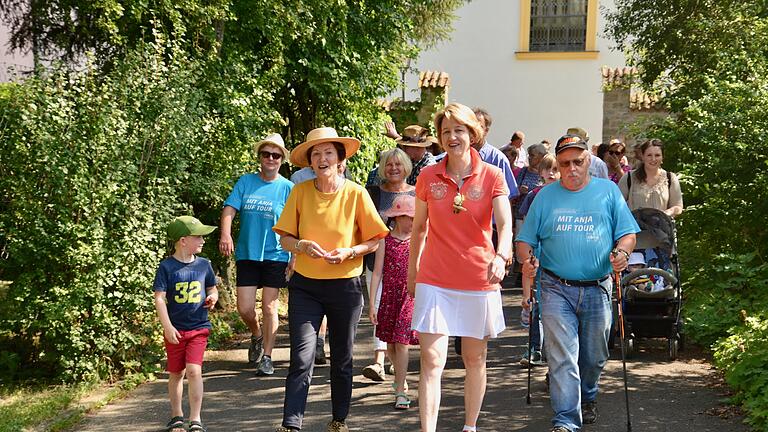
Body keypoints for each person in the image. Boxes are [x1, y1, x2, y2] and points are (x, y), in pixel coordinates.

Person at [516, 134, 639, 432]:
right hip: (556, 287)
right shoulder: (544, 196)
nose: (572, 168)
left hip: (597, 287)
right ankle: (566, 420)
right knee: (563, 356)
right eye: (565, 163)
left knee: (595, 355)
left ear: (588, 162)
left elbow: (627, 233)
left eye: (578, 162)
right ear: (557, 165)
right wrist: (527, 259)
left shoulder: (608, 191)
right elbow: (524, 241)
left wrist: (622, 253)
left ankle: (589, 395)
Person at [273, 127, 389, 432]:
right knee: (301, 357)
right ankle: (290, 423)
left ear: (340, 159)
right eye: (315, 153)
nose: (322, 158)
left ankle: (339, 420)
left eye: (328, 153)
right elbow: (285, 238)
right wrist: (300, 245)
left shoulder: (356, 193)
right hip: (305, 286)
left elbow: (375, 240)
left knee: (342, 357)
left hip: (345, 288)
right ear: (310, 162)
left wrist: (351, 251)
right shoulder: (299, 192)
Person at [408, 103, 512, 432]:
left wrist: (501, 255)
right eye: (446, 131)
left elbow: (505, 225)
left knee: (474, 358)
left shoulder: (492, 175)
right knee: (431, 359)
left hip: (477, 278)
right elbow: (419, 229)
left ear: (472, 133)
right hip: (435, 278)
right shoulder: (427, 175)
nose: (452, 137)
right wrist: (413, 272)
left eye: (459, 130)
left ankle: (470, 426)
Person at [219, 133, 293, 376]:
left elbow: (297, 223)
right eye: (266, 154)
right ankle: (257, 335)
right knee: (245, 308)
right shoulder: (246, 182)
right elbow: (229, 209)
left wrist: (294, 255)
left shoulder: (288, 188)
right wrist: (226, 235)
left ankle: (268, 357)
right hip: (248, 252)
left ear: (282, 159)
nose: (270, 158)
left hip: (276, 253)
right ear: (259, 157)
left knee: (270, 307)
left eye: (276, 155)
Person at [153, 216, 219, 432]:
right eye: (198, 236)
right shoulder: (167, 267)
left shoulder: (204, 265)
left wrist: (213, 297)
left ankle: (196, 419)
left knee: (193, 371)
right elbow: (160, 298)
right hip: (175, 331)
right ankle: (176, 416)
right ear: (183, 240)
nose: (202, 240)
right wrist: (167, 327)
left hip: (199, 327)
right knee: (176, 373)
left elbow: (211, 288)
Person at [362, 147, 415, 382]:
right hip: (378, 262)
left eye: (398, 164)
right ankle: (379, 361)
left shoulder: (417, 193)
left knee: (400, 327)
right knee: (381, 312)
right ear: (382, 168)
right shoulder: (372, 193)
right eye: (389, 164)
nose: (394, 168)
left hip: (408, 268)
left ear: (406, 167)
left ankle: (397, 373)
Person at [369, 194, 419, 410]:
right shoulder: (385, 240)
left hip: (409, 296)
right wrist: (372, 302)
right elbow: (377, 272)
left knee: (402, 341)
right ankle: (400, 376)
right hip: (389, 297)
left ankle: (400, 391)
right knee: (390, 342)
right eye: (410, 218)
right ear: (398, 217)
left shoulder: (418, 240)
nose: (413, 223)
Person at [517, 154, 560, 367]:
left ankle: (551, 350)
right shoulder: (533, 195)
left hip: (557, 255)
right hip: (538, 252)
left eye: (555, 169)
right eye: (547, 169)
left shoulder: (566, 195)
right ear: (541, 172)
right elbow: (526, 227)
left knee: (553, 306)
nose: (551, 174)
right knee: (536, 301)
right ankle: (534, 348)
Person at [618, 139, 684, 218]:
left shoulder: (670, 178)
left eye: (657, 155)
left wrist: (666, 213)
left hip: (661, 228)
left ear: (662, 157)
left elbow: (678, 206)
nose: (653, 159)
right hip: (635, 229)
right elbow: (617, 205)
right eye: (649, 155)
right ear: (642, 156)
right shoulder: (629, 178)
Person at [367, 124, 436, 187]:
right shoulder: (412, 159)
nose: (403, 149)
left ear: (416, 147)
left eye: (405, 146)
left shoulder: (428, 167)